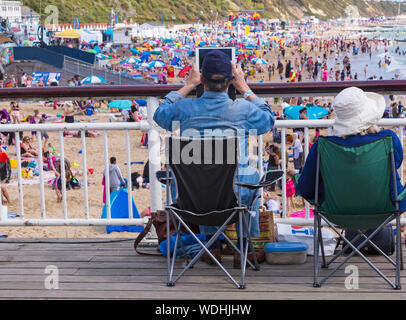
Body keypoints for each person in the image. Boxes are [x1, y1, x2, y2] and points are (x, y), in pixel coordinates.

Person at [153, 50, 275, 266]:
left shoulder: (184, 107)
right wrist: (245, 88)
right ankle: (243, 251)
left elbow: (160, 114)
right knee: (250, 179)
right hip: (235, 195)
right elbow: (268, 121)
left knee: (206, 180)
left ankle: (212, 247)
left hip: (192, 197)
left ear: (202, 79)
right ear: (231, 80)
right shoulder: (244, 109)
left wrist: (188, 85)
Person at [296, 87, 406, 213]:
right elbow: (395, 164)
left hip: (336, 212)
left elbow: (305, 189)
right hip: (386, 207)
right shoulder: (389, 139)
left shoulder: (322, 147)